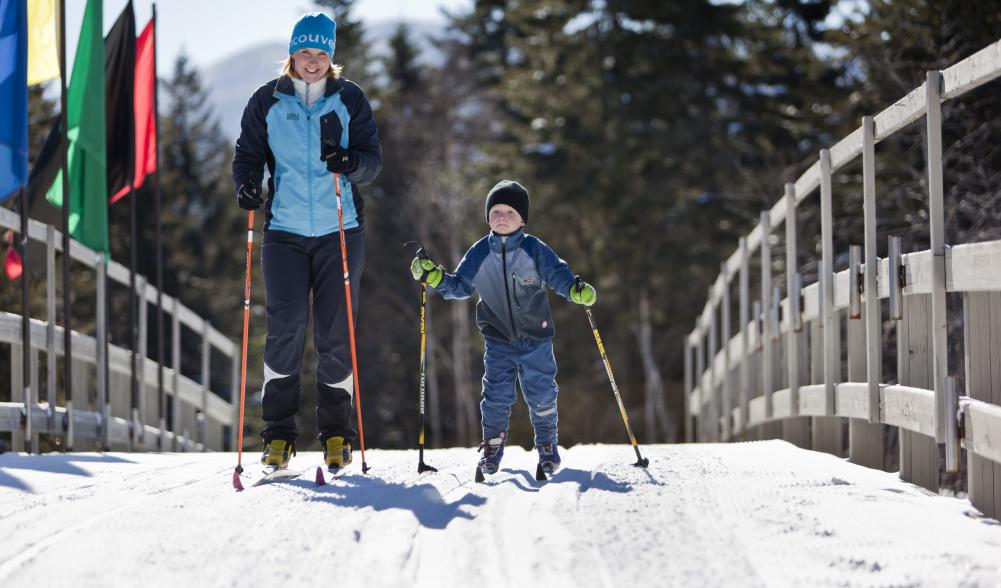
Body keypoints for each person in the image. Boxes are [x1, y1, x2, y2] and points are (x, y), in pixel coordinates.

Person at [231, 12, 382, 471]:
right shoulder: (267, 100)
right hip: (285, 233)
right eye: (304, 52)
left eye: (321, 54)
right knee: (286, 329)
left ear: (331, 56)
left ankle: (338, 435)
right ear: (292, 53)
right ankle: (277, 436)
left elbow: (372, 162)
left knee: (336, 335)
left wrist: (348, 162)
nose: (312, 62)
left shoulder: (349, 98)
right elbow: (248, 153)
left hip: (341, 229)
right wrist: (247, 185)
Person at [410, 180, 597, 476]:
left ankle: (547, 445)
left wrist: (575, 290)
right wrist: (435, 278)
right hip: (498, 339)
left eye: (509, 212)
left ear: (522, 219)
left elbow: (558, 274)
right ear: (487, 217)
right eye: (495, 211)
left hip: (536, 336)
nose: (501, 217)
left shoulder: (535, 249)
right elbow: (459, 286)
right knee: (496, 394)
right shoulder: (479, 252)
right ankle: (493, 446)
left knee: (542, 393)